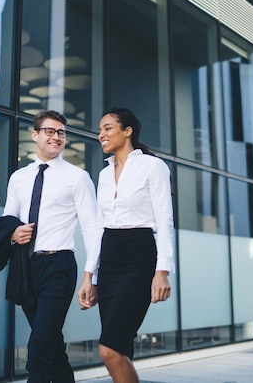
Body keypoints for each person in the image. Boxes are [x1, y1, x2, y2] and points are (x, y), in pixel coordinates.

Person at [78, 107, 174, 383]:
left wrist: (162, 270)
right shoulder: (104, 174)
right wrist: (89, 276)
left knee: (109, 349)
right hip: (109, 258)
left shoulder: (153, 166)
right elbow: (99, 226)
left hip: (139, 255)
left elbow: (165, 220)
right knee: (121, 348)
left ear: (127, 131)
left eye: (107, 128)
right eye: (99, 130)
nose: (101, 134)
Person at [3, 109, 99, 383]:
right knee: (52, 347)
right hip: (25, 267)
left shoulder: (77, 177)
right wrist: (13, 234)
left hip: (58, 266)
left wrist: (92, 276)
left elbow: (92, 228)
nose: (56, 137)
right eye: (50, 131)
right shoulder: (19, 177)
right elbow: (7, 220)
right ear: (35, 135)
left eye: (61, 132)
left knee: (38, 348)